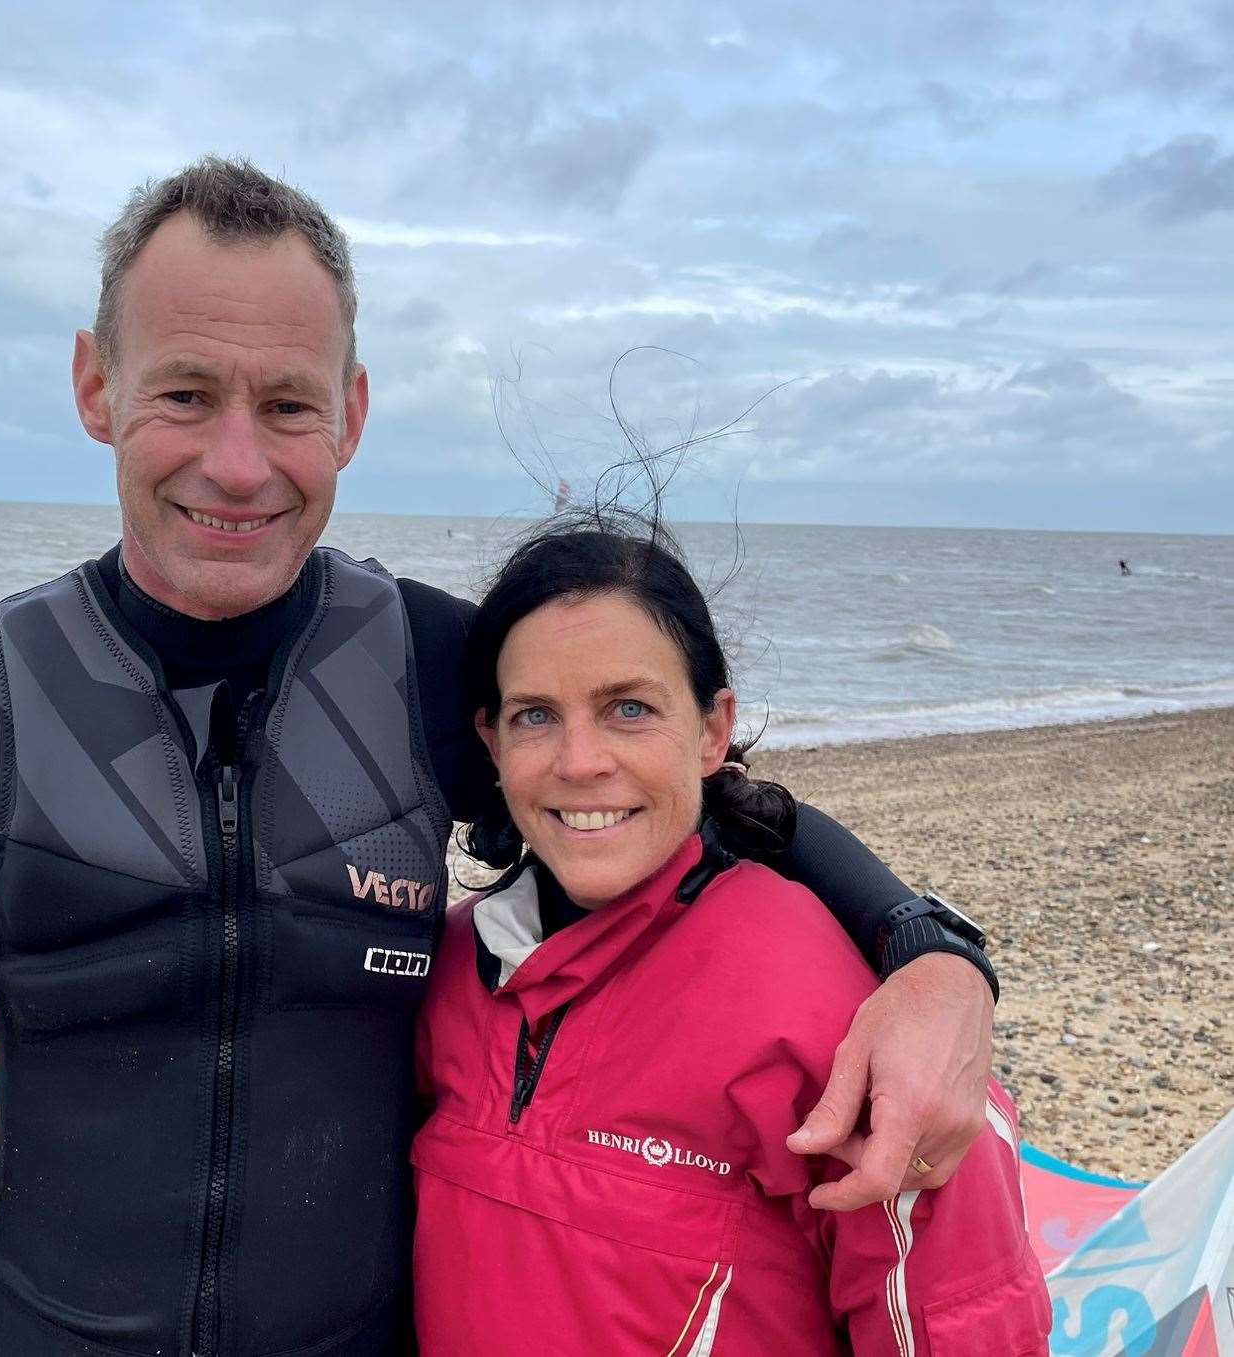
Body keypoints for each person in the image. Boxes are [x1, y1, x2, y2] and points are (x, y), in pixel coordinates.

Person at [0, 158, 1000, 1356]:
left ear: (349, 414)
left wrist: (931, 957)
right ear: (95, 387)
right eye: (184, 393)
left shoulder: (424, 668)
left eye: (288, 404)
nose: (236, 464)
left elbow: (683, 804)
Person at [408, 518, 1050, 1353]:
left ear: (713, 730)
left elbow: (964, 1327)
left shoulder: (862, 1031)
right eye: (536, 715)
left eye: (628, 708)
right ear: (491, 741)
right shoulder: (448, 969)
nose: (579, 760)